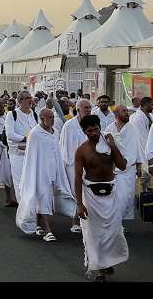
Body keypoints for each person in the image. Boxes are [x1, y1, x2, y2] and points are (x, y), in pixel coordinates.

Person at [75, 114, 128, 282]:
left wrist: (113, 147)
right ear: (84, 132)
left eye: (96, 129)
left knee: (112, 232)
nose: (94, 133)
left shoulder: (109, 144)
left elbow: (122, 165)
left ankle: (107, 262)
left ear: (100, 128)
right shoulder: (81, 150)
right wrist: (79, 204)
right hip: (91, 194)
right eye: (89, 130)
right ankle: (99, 270)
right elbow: (77, 178)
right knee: (94, 233)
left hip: (111, 192)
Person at [16, 108, 75, 242]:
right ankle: (48, 230)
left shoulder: (55, 133)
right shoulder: (35, 134)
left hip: (54, 172)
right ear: (42, 118)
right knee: (44, 200)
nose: (52, 120)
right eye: (49, 118)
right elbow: (32, 157)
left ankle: (39, 224)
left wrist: (60, 171)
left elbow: (57, 153)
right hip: (40, 174)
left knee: (46, 199)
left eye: (53, 117)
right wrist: (34, 175)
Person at [105, 105, 145, 228]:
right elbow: (106, 149)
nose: (127, 113)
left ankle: (118, 222)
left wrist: (139, 166)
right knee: (117, 198)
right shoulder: (109, 129)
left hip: (129, 169)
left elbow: (138, 147)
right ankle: (116, 224)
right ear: (116, 114)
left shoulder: (132, 129)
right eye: (124, 111)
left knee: (127, 199)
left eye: (127, 111)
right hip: (115, 170)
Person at [59, 98, 92, 233]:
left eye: (89, 108)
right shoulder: (69, 125)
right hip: (73, 164)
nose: (89, 110)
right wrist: (69, 164)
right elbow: (64, 146)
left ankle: (89, 222)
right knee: (75, 192)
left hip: (89, 164)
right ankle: (75, 221)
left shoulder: (93, 123)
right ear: (78, 110)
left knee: (89, 192)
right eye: (86, 108)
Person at [5, 90, 38, 202]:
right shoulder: (12, 114)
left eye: (30, 97)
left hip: (32, 153)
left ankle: (32, 208)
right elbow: (9, 134)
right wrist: (25, 138)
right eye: (27, 98)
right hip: (18, 154)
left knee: (32, 181)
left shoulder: (34, 114)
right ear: (20, 101)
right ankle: (23, 209)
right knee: (20, 182)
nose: (30, 100)